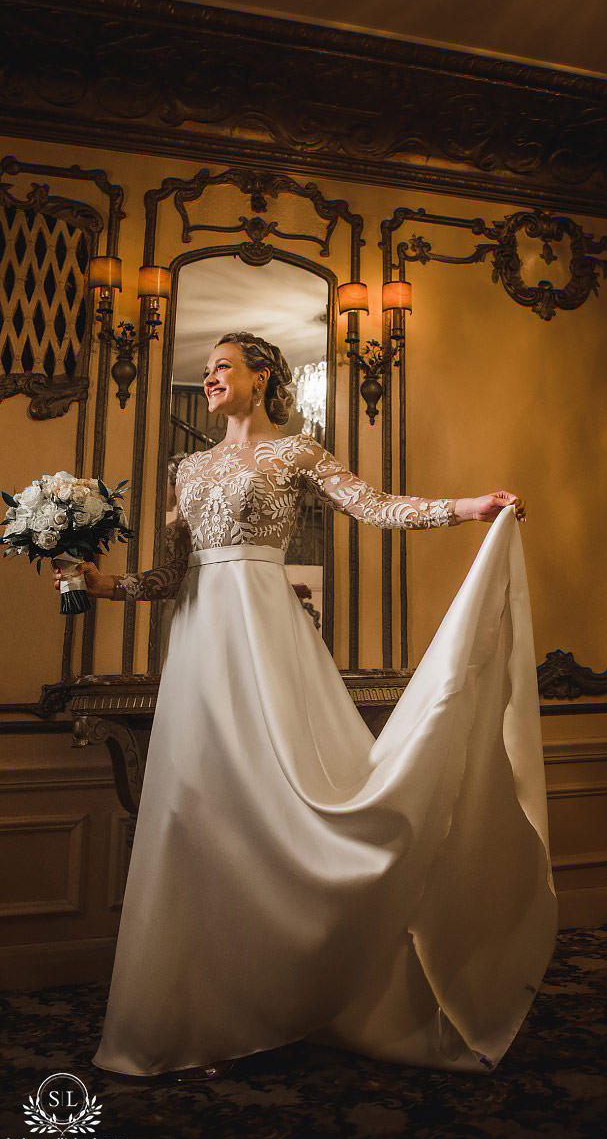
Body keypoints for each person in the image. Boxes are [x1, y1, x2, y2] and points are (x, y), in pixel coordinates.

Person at [58, 332, 556, 1081]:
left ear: (263, 378)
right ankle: (198, 1011)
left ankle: (304, 985)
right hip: (198, 644)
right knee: (196, 811)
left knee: (283, 800)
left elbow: (377, 507)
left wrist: (467, 507)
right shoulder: (184, 468)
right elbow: (167, 576)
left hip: (266, 635)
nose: (210, 375)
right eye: (209, 367)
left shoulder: (298, 455)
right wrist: (104, 588)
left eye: (225, 365)